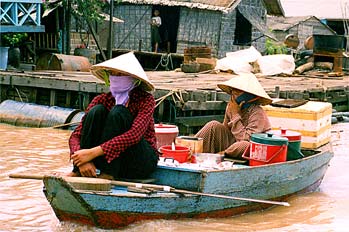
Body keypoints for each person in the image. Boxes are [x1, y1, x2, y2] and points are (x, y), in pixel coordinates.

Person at [67, 52, 159, 180]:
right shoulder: (102, 100)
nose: (116, 77)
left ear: (132, 78)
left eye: (120, 74)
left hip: (139, 162)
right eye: (112, 74)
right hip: (105, 159)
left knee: (118, 112)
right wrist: (82, 160)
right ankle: (78, 171)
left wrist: (93, 152)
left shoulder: (145, 100)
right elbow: (76, 135)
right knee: (96, 111)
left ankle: (108, 174)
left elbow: (134, 135)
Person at [195, 73, 272, 159]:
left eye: (238, 91)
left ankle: (220, 155)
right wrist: (233, 113)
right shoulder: (231, 107)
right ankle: (189, 150)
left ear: (250, 96)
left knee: (244, 145)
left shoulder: (257, 113)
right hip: (232, 144)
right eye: (233, 90)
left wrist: (235, 115)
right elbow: (225, 130)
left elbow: (246, 140)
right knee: (213, 125)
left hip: (249, 148)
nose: (233, 94)